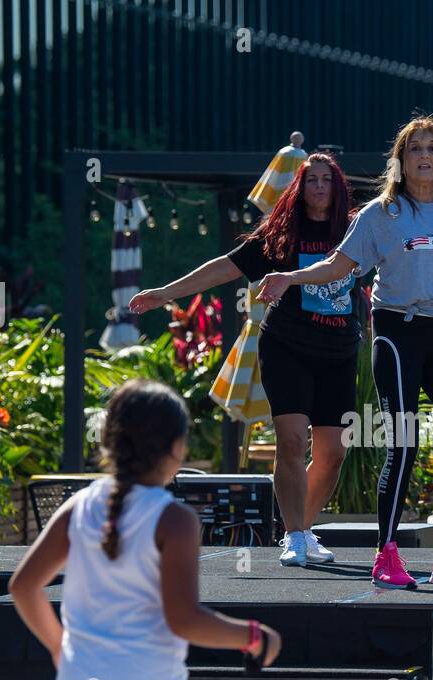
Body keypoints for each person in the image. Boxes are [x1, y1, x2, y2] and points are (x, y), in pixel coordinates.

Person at [8, 379, 283, 680]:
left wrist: (58, 648)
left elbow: (23, 587)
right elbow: (184, 620)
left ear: (110, 441)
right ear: (177, 447)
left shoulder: (78, 507)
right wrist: (253, 635)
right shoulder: (174, 519)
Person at [258, 115, 433, 589]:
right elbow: (338, 265)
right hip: (396, 331)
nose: (425, 155)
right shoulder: (380, 215)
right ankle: (386, 556)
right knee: (402, 442)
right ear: (401, 162)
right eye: (415, 149)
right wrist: (290, 278)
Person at [131, 152, 362, 568]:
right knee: (291, 441)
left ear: (338, 187)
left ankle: (304, 530)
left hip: (340, 352)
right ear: (300, 188)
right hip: (287, 348)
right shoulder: (281, 233)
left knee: (333, 454)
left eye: (327, 180)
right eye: (312, 181)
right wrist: (166, 293)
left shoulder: (356, 231)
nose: (320, 187)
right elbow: (225, 267)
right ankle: (293, 535)